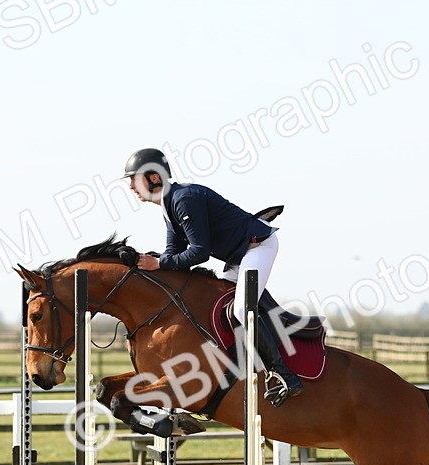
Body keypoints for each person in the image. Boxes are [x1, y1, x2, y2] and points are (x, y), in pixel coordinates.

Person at [122, 147, 303, 407]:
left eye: (133, 178)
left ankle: (283, 374)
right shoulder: (169, 205)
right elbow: (173, 253)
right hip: (239, 255)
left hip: (258, 247)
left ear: (153, 177)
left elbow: (199, 253)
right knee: (219, 305)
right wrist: (146, 263)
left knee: (242, 309)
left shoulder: (183, 199)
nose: (130, 186)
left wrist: (159, 262)